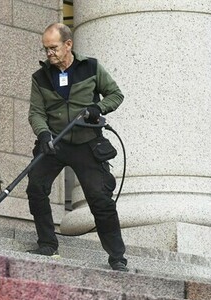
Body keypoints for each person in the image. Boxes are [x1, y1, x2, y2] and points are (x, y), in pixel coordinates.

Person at [27, 23, 128, 272]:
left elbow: (115, 95)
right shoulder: (40, 77)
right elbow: (36, 112)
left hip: (87, 142)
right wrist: (43, 134)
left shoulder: (91, 67)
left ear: (68, 45)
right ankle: (47, 244)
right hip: (55, 142)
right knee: (36, 187)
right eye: (46, 49)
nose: (49, 53)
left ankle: (117, 257)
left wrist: (98, 108)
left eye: (53, 48)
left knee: (100, 199)